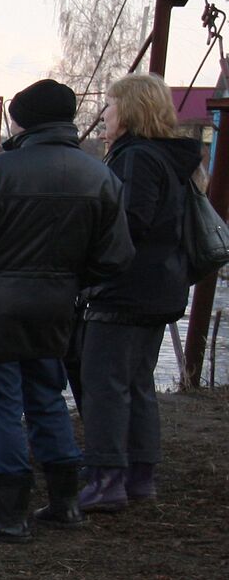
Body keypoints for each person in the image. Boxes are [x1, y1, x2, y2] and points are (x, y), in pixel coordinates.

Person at [0, 78, 133, 541]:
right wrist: (70, 281)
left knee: (0, 405)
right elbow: (116, 257)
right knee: (46, 397)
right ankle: (65, 505)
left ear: (21, 121)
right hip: (57, 306)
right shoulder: (100, 175)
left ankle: (10, 516)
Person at [76, 73, 204, 511]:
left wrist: (89, 265)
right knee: (136, 383)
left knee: (104, 383)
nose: (104, 115)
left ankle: (106, 479)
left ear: (128, 111)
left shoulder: (136, 157)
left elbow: (128, 223)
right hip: (160, 285)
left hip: (125, 291)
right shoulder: (172, 157)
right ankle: (139, 476)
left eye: (109, 107)